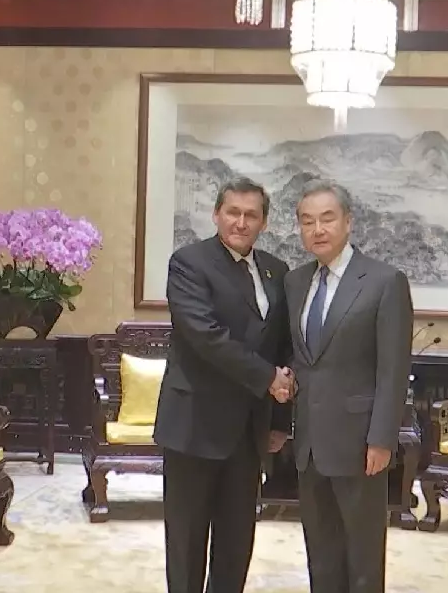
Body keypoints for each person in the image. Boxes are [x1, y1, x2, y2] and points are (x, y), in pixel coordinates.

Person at [153, 177, 295, 593]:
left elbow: (282, 346)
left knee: (236, 540)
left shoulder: (276, 271)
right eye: (233, 212)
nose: (241, 222)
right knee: (187, 540)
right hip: (194, 425)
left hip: (249, 431)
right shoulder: (189, 263)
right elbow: (205, 336)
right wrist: (267, 378)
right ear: (216, 214)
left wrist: (279, 420)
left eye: (251, 215)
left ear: (264, 222)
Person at [284, 179, 413, 593]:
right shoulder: (295, 283)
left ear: (348, 222)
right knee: (321, 554)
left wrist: (382, 438)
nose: (317, 230)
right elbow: (302, 356)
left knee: (362, 556)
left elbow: (393, 368)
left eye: (327, 219)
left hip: (360, 444)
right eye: (307, 221)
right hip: (309, 444)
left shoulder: (384, 281)